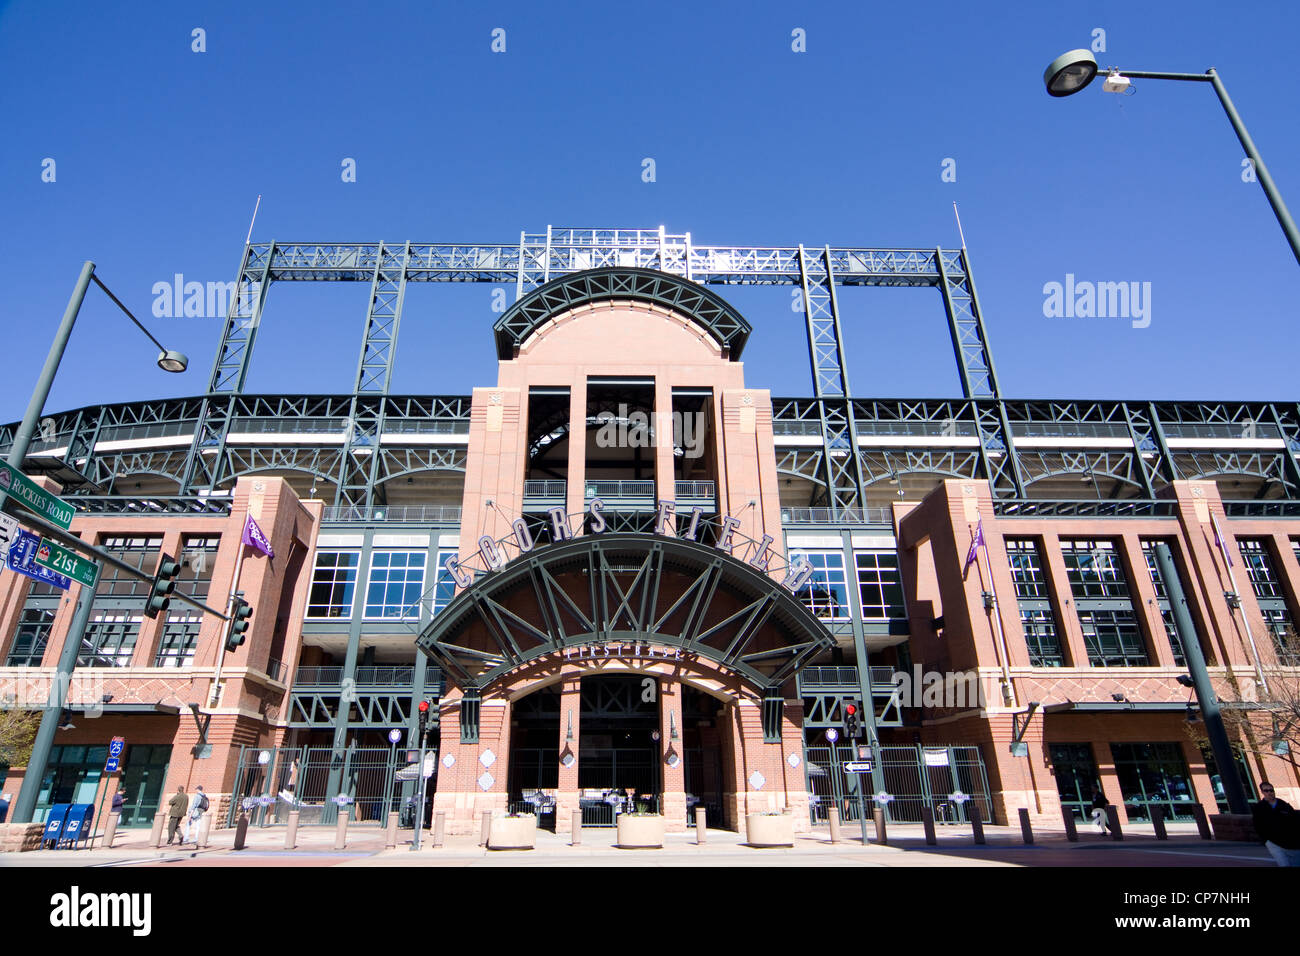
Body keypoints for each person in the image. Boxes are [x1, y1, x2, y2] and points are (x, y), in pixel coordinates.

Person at [1252, 781, 1300, 867]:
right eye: (1266, 791)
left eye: (1271, 790)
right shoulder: (1259, 807)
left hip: (1291, 842)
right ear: (1262, 792)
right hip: (1273, 843)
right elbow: (1257, 824)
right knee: (1284, 864)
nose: (1269, 792)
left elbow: (1295, 820)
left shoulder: (1283, 804)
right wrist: (1265, 840)